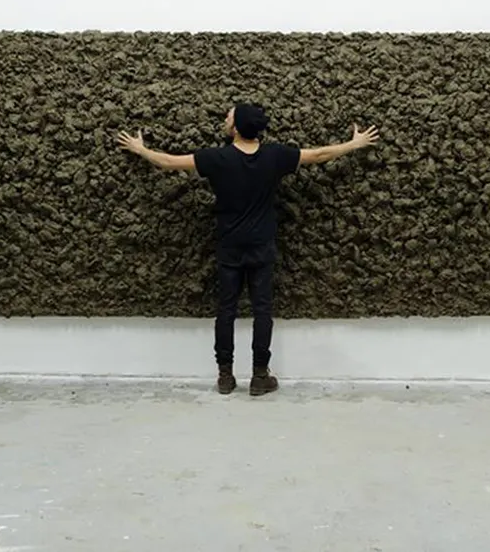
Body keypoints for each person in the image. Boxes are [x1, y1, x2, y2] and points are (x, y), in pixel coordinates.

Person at [116, 103, 379, 396]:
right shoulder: (275, 156)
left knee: (226, 310)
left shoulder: (217, 158)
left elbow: (168, 162)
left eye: (229, 116)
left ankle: (225, 376)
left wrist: (140, 149)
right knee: (262, 310)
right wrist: (354, 144)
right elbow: (318, 155)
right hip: (261, 245)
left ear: (236, 128)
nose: (225, 118)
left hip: (229, 244)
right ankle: (259, 376)